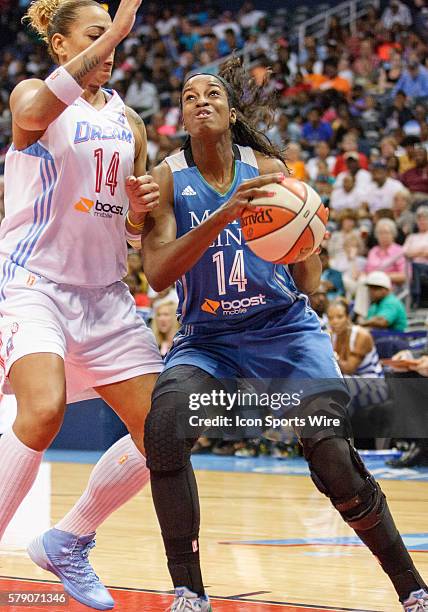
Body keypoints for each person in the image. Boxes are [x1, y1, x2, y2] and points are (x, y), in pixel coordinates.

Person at [141, 59, 428, 611]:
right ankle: (189, 592)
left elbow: (311, 284)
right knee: (165, 426)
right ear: (180, 114)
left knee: (332, 458)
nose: (201, 100)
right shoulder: (166, 178)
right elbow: (157, 274)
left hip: (286, 331)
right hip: (209, 339)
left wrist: (305, 233)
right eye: (188, 94)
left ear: (230, 112)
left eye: (214, 93)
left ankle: (412, 587)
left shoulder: (270, 170)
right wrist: (224, 216)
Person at [0, 1, 164, 610]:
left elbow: (133, 228)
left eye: (115, 35)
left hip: (106, 296)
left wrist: (144, 209)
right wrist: (119, 26)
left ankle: (67, 539)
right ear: (62, 46)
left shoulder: (131, 123)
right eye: (97, 36)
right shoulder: (33, 97)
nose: (113, 46)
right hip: (34, 285)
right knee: (42, 412)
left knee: (168, 431)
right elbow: (34, 111)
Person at [328, 299, 388, 411]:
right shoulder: (332, 335)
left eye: (339, 317)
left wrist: (331, 356)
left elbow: (349, 369)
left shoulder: (361, 335)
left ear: (348, 318)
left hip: (374, 385)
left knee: (338, 385)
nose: (334, 322)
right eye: (331, 318)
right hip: (351, 384)